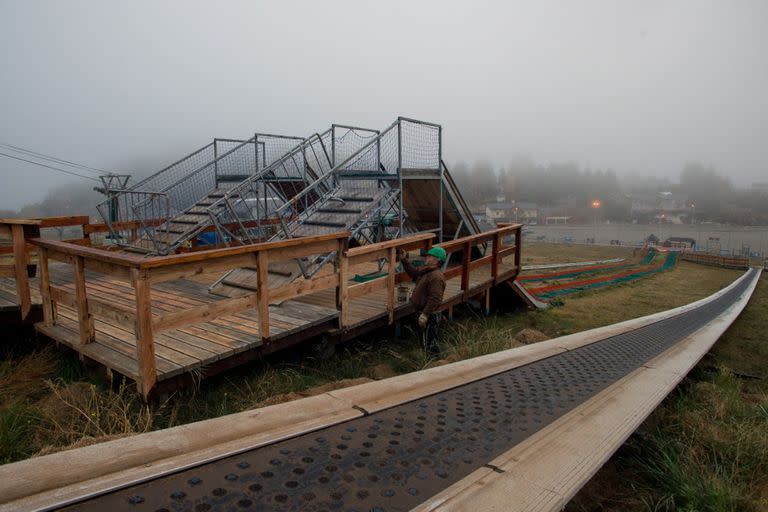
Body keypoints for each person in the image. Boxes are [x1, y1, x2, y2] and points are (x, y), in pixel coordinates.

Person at [398, 246, 447, 357]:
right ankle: (428, 362)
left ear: (437, 260)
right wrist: (404, 260)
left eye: (430, 256)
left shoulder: (436, 276)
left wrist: (425, 314)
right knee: (424, 340)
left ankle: (435, 363)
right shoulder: (427, 271)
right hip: (423, 312)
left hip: (431, 315)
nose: (427, 257)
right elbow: (414, 273)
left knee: (430, 343)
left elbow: (435, 298)